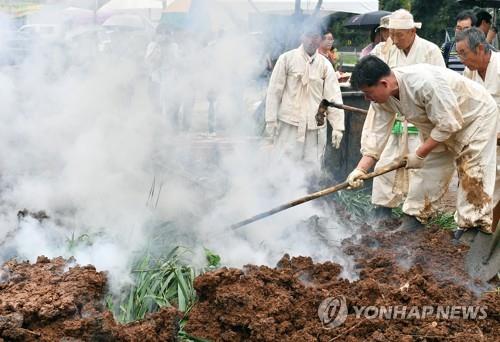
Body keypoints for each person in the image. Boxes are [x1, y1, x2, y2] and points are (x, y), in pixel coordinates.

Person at [348, 55, 498, 238]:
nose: (366, 98)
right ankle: (415, 217)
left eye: (368, 93)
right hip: (438, 126)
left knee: (473, 171)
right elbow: (376, 134)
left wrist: (419, 153)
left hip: (475, 117)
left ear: (384, 83)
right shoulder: (381, 98)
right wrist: (360, 170)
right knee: (427, 170)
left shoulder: (424, 83)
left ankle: (472, 229)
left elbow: (449, 123)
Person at [367, 9, 446, 220]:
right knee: (386, 162)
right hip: (395, 117)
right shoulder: (385, 51)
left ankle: (414, 216)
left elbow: (441, 86)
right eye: (391, 34)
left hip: (422, 120)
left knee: (419, 166)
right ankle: (382, 209)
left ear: (412, 31)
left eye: (399, 34)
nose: (394, 39)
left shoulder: (430, 51)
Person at [265, 23, 344, 171]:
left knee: (311, 169)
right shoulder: (286, 59)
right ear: (301, 36)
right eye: (308, 35)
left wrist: (338, 127)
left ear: (320, 39)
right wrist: (271, 120)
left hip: (314, 127)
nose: (311, 40)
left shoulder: (325, 65)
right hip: (289, 124)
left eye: (315, 37)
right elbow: (274, 91)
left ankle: (310, 193)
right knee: (284, 166)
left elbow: (333, 97)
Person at [456, 27, 500, 233]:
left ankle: (486, 228)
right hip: (479, 137)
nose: (461, 59)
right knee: (471, 177)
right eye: (459, 54)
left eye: (464, 53)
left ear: (481, 48)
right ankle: (470, 224)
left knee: (495, 184)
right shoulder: (469, 72)